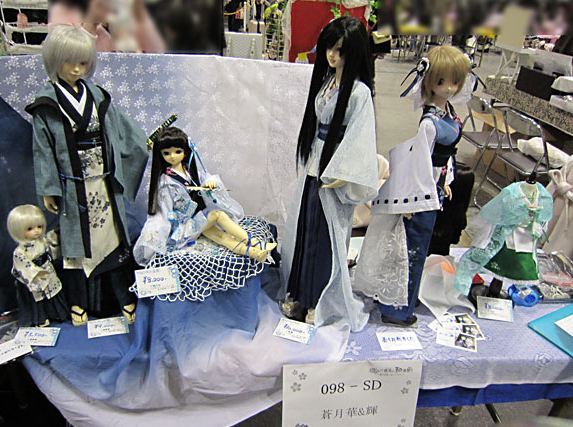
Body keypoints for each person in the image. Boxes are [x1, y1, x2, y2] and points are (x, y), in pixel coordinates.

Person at [25, 26, 148, 325]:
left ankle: (123, 296)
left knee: (113, 240)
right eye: (69, 62)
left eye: (83, 62)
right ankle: (79, 301)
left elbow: (123, 131)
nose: (77, 69)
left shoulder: (97, 96)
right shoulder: (46, 104)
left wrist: (142, 145)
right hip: (73, 188)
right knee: (75, 247)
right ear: (55, 60)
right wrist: (49, 188)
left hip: (103, 183)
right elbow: (43, 150)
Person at [354, 45, 473, 327]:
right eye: (441, 81)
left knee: (419, 248)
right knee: (412, 251)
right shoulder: (430, 123)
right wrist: (412, 198)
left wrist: (445, 180)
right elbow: (418, 164)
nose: (449, 88)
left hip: (435, 187)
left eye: (455, 82)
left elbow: (446, 156)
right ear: (430, 82)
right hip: (420, 195)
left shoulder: (449, 112)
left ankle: (406, 298)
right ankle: (397, 309)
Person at [278, 16, 379, 330]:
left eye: (340, 50)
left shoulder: (359, 93)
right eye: (329, 48)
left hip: (335, 172)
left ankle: (318, 301)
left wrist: (343, 172)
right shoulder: (326, 83)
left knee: (325, 240)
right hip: (316, 167)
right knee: (305, 230)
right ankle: (299, 293)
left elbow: (361, 138)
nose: (333, 56)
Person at [134, 126, 276, 266]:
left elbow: (205, 177)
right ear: (160, 154)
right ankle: (256, 243)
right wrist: (156, 236)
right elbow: (164, 212)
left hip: (198, 219)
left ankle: (254, 252)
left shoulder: (188, 170)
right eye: (167, 153)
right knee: (217, 215)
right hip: (185, 227)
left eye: (177, 151)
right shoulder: (166, 182)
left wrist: (210, 183)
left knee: (222, 237)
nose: (172, 156)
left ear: (185, 151)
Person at [7, 205, 69, 327]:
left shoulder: (42, 241)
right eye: (30, 228)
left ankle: (56, 314)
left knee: (52, 293)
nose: (36, 231)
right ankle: (40, 318)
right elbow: (23, 266)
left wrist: (57, 234)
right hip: (34, 275)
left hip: (47, 269)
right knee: (37, 297)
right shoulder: (20, 251)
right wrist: (36, 273)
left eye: (39, 227)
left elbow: (52, 247)